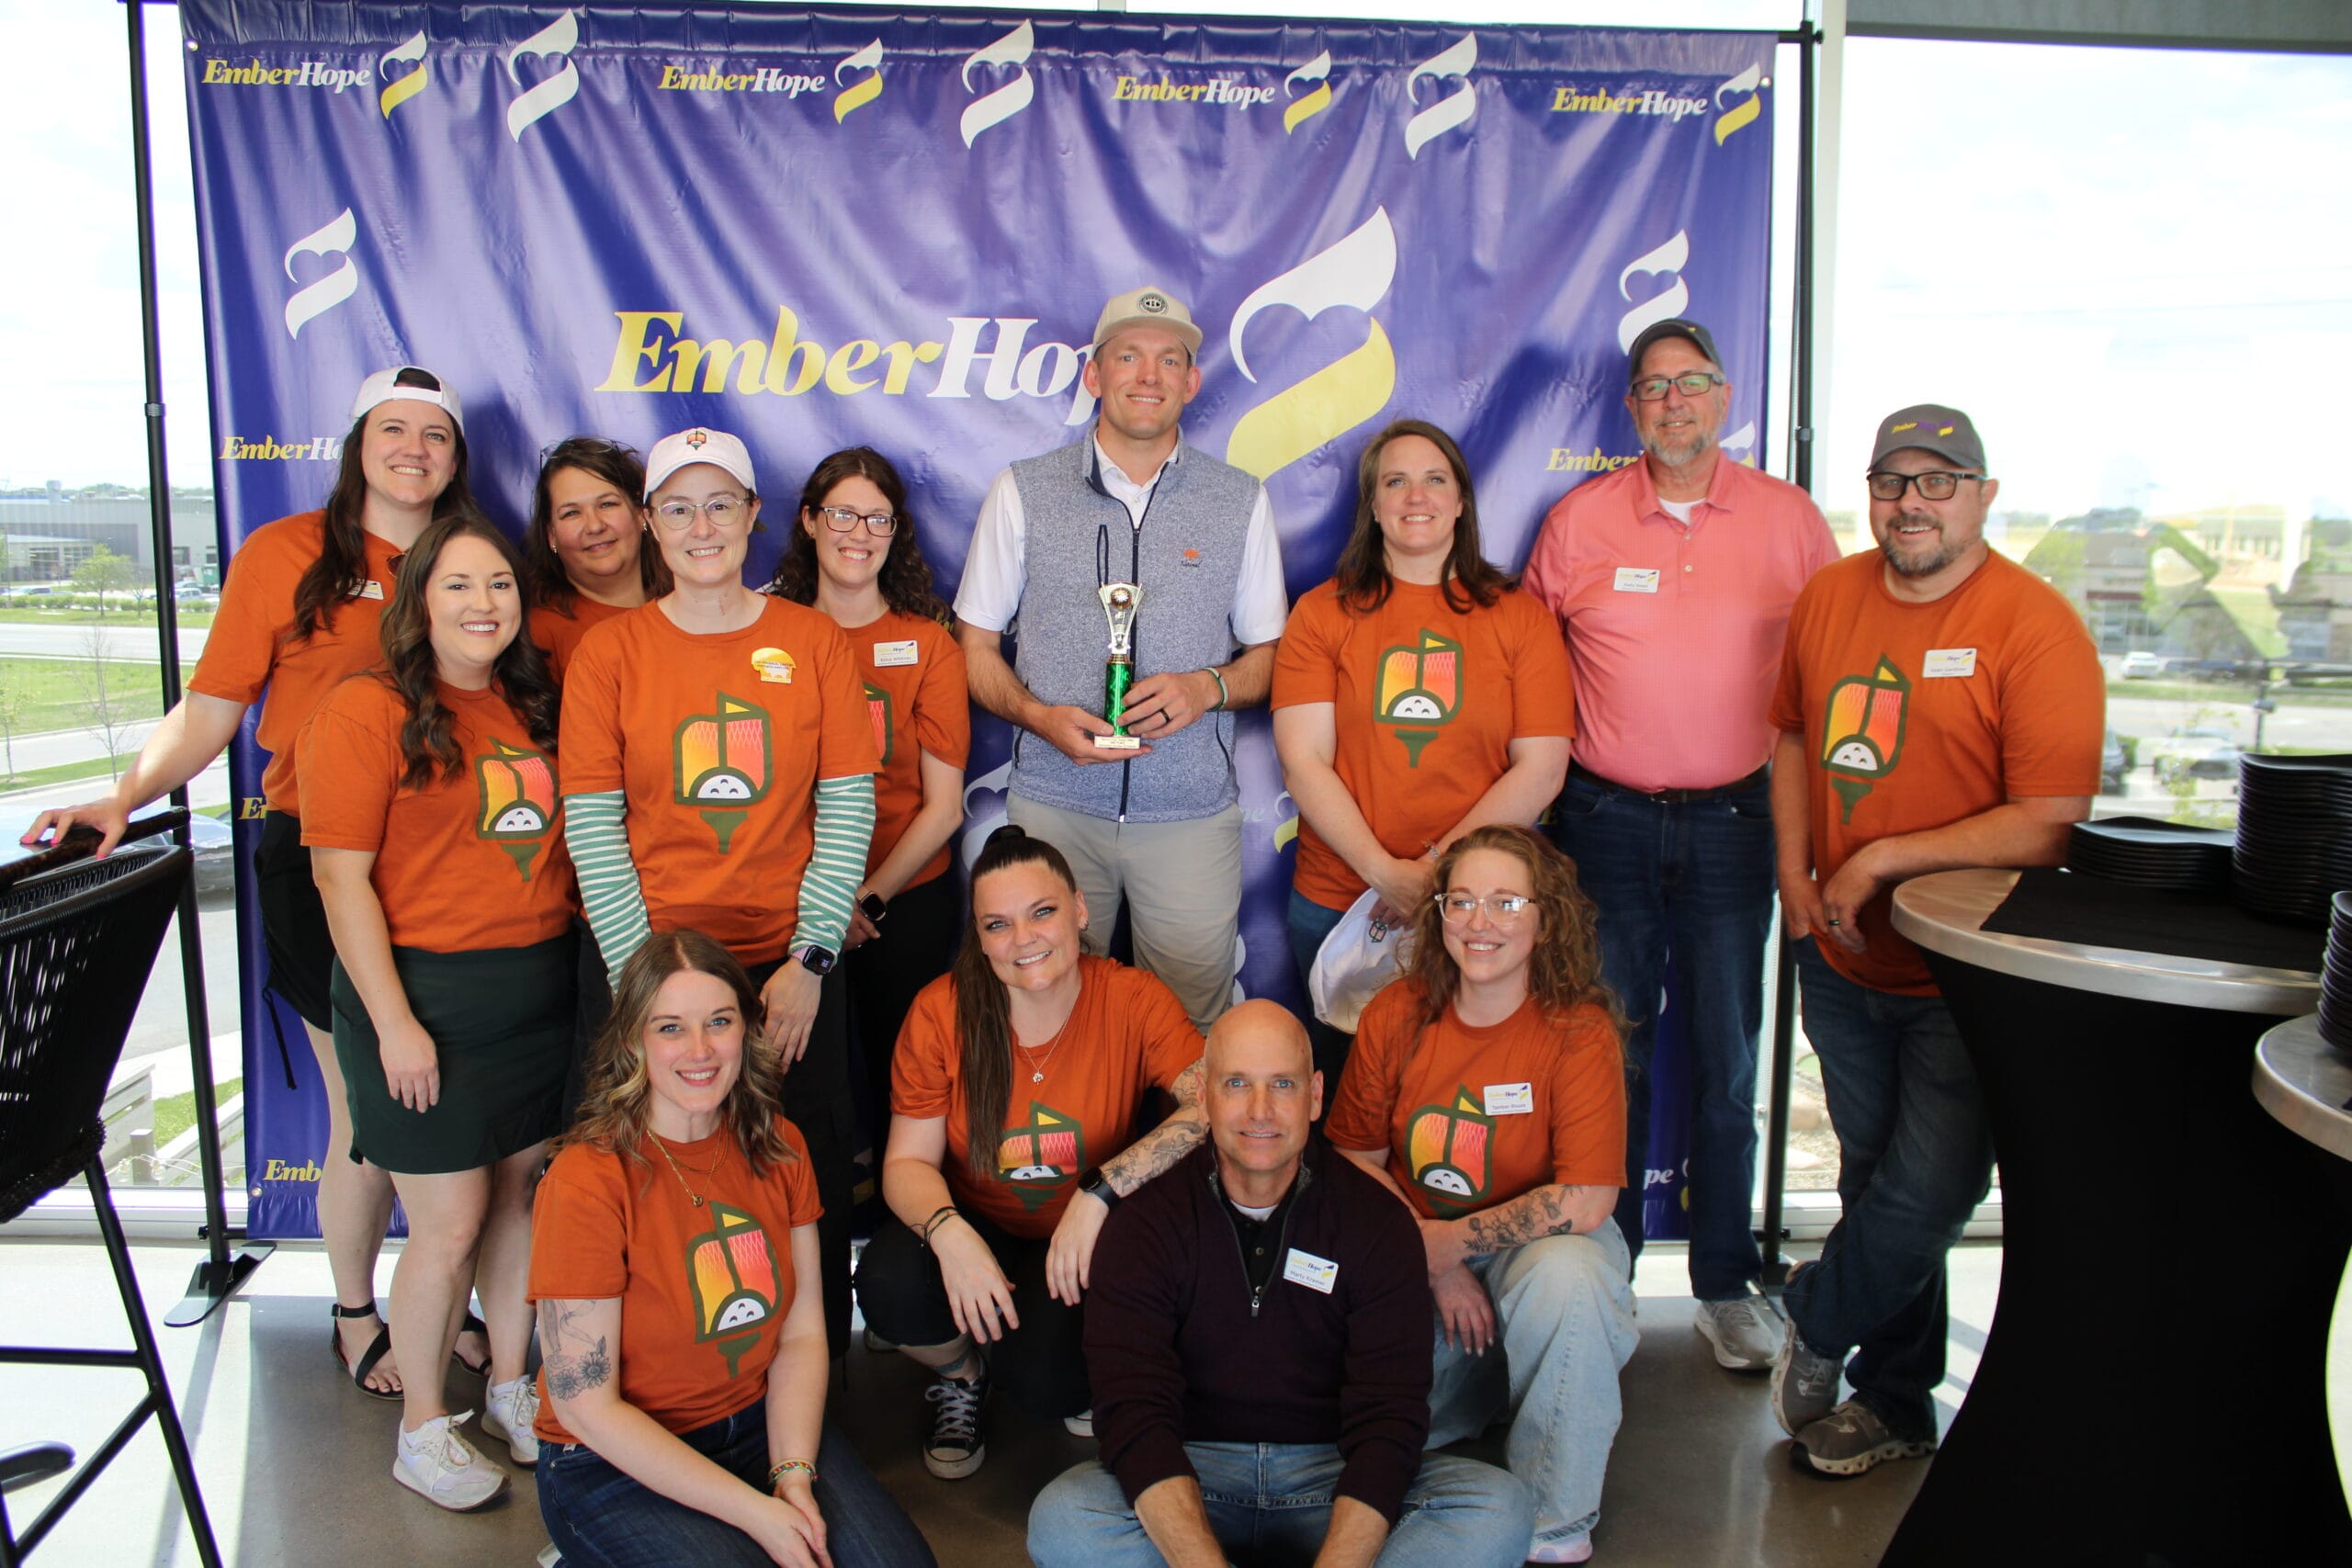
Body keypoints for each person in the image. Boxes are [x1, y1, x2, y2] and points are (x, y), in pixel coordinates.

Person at [25, 365, 484, 1400]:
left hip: (459, 864)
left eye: (437, 435)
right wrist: (123, 793)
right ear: (359, 440)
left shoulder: (477, 559)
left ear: (457, 456)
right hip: (322, 859)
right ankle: (357, 1311)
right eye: (394, 430)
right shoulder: (286, 554)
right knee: (365, 1110)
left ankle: (441, 1303)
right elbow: (212, 708)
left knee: (462, 1114)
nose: (415, 449)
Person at [1769, 404, 2101, 1477]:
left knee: (1931, 1189)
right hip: (1843, 957)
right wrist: (1796, 873)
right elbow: (1787, 737)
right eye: (1890, 482)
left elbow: (2050, 817)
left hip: (1969, 976)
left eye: (1937, 481)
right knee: (1874, 1180)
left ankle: (1817, 1318)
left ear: (1983, 494)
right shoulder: (1827, 596)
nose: (1909, 503)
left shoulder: (2032, 622)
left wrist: (1878, 859)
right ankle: (1897, 1403)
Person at [1520, 317, 1841, 1371]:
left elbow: (1832, 674)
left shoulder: (1790, 522)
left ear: (1722, 394)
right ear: (1630, 408)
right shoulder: (1580, 520)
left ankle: (1724, 1280)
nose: (1672, 403)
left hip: (1738, 822)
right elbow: (1527, 658)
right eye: (1652, 388)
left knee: (1728, 1056)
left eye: (1690, 383)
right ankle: (1600, 1277)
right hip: (1604, 818)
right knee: (1609, 1051)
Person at [559, 426, 877, 1358]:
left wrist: (812, 960)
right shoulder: (610, 653)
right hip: (643, 968)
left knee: (798, 1178)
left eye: (721, 504)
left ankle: (808, 1393)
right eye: (679, 507)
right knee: (645, 1177)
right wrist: (651, 988)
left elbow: (846, 809)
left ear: (754, 517)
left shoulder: (811, 641)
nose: (702, 526)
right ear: (652, 525)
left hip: (786, 972)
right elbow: (593, 826)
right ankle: (652, 1384)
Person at [1029, 1000, 1533, 1568]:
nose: (1260, 1110)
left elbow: (1389, 1420)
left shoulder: (1376, 1221)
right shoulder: (1143, 1223)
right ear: (1205, 1096)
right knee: (1065, 1520)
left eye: (1284, 1084)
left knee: (1498, 1510)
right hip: (1192, 1472)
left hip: (1331, 1476)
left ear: (1315, 1096)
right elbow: (1134, 1415)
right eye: (1237, 1083)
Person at [300, 511, 576, 1507]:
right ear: (419, 599)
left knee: (514, 1204)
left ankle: (509, 1384)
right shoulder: (363, 710)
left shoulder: (527, 705)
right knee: (449, 1222)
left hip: (535, 997)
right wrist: (395, 1022)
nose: (483, 603)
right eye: (458, 584)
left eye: (499, 584)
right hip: (424, 1000)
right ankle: (422, 1423)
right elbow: (340, 881)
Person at [530, 930, 937, 1568]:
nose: (699, 1049)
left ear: (748, 1030)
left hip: (755, 1424)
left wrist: (794, 1474)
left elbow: (802, 1337)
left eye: (719, 1021)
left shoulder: (779, 1144)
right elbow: (586, 1405)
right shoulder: (585, 1178)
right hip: (609, 1461)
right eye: (670, 1027)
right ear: (633, 1039)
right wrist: (758, 1514)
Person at [955, 287, 1287, 1030]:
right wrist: (1038, 716)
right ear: (1095, 374)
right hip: (1056, 807)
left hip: (1190, 816)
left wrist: (1208, 686)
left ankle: (1175, 1154)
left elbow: (1269, 656)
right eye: (1129, 355)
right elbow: (974, 648)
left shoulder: (1240, 500)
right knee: (1044, 1014)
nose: (1150, 374)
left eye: (1171, 359)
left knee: (1189, 1022)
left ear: (1192, 382)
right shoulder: (1023, 490)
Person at [1327, 825, 1635, 1565]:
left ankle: (1552, 1522)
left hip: (1537, 1255)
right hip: (1420, 1258)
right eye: (1460, 901)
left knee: (1570, 1276)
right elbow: (1351, 1159)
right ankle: (1512, 1386)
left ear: (1545, 916)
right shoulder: (1395, 1014)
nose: (1479, 922)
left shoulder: (1579, 1030)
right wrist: (1434, 1262)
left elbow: (1587, 1199)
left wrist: (1453, 1244)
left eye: (1505, 902)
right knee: (1355, 1416)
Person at [855, 826, 1205, 1481]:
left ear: (1079, 908)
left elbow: (1212, 1106)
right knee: (887, 1281)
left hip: (1076, 1239)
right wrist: (948, 1232)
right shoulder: (942, 1011)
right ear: (979, 935)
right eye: (998, 924)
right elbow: (905, 1164)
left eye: (1042, 912)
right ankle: (962, 1375)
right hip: (979, 1222)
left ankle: (1019, 1362)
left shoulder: (1132, 997)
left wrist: (1101, 1190)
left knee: (1047, 1385)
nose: (1023, 939)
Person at [1272, 418, 1573, 1086]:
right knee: (1351, 1096)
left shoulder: (1519, 617)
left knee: (1459, 1094)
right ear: (1373, 506)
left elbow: (1543, 766)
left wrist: (1438, 871)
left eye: (1435, 479)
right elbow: (1303, 761)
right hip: (1342, 901)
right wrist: (1385, 872)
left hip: (1481, 906)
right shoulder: (1322, 615)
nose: (1417, 496)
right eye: (1396, 481)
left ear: (1462, 500)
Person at [766, 446, 969, 1168]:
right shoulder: (769, 635)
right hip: (790, 897)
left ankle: (901, 1233)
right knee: (793, 1083)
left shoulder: (926, 645)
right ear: (810, 522)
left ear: (896, 531)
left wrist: (866, 900)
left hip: (900, 899)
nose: (859, 532)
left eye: (877, 517)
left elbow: (944, 808)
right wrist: (821, 904)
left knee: (901, 1075)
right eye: (842, 513)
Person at [524, 436, 672, 682]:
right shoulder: (541, 632)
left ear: (640, 514)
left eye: (607, 504)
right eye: (571, 513)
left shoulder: (690, 606)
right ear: (551, 535)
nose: (594, 526)